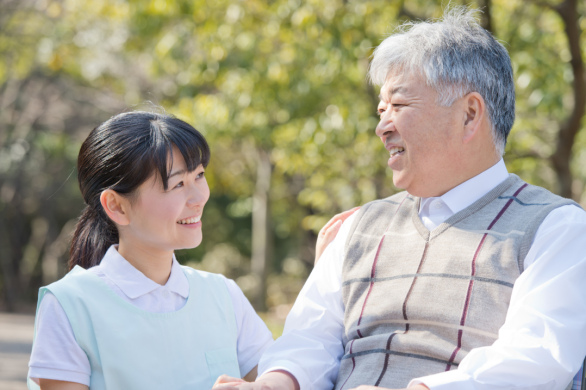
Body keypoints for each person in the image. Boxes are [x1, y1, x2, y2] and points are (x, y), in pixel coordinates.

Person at [213, 7, 586, 390]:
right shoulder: (359, 226)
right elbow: (309, 340)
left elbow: (537, 358)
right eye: (381, 110)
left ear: (470, 115)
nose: (381, 126)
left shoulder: (557, 228)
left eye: (399, 106)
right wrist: (272, 384)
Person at [27, 111, 278, 390]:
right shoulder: (69, 304)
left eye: (199, 175)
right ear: (117, 206)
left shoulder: (223, 296)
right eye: (178, 184)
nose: (198, 197)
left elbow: (276, 375)